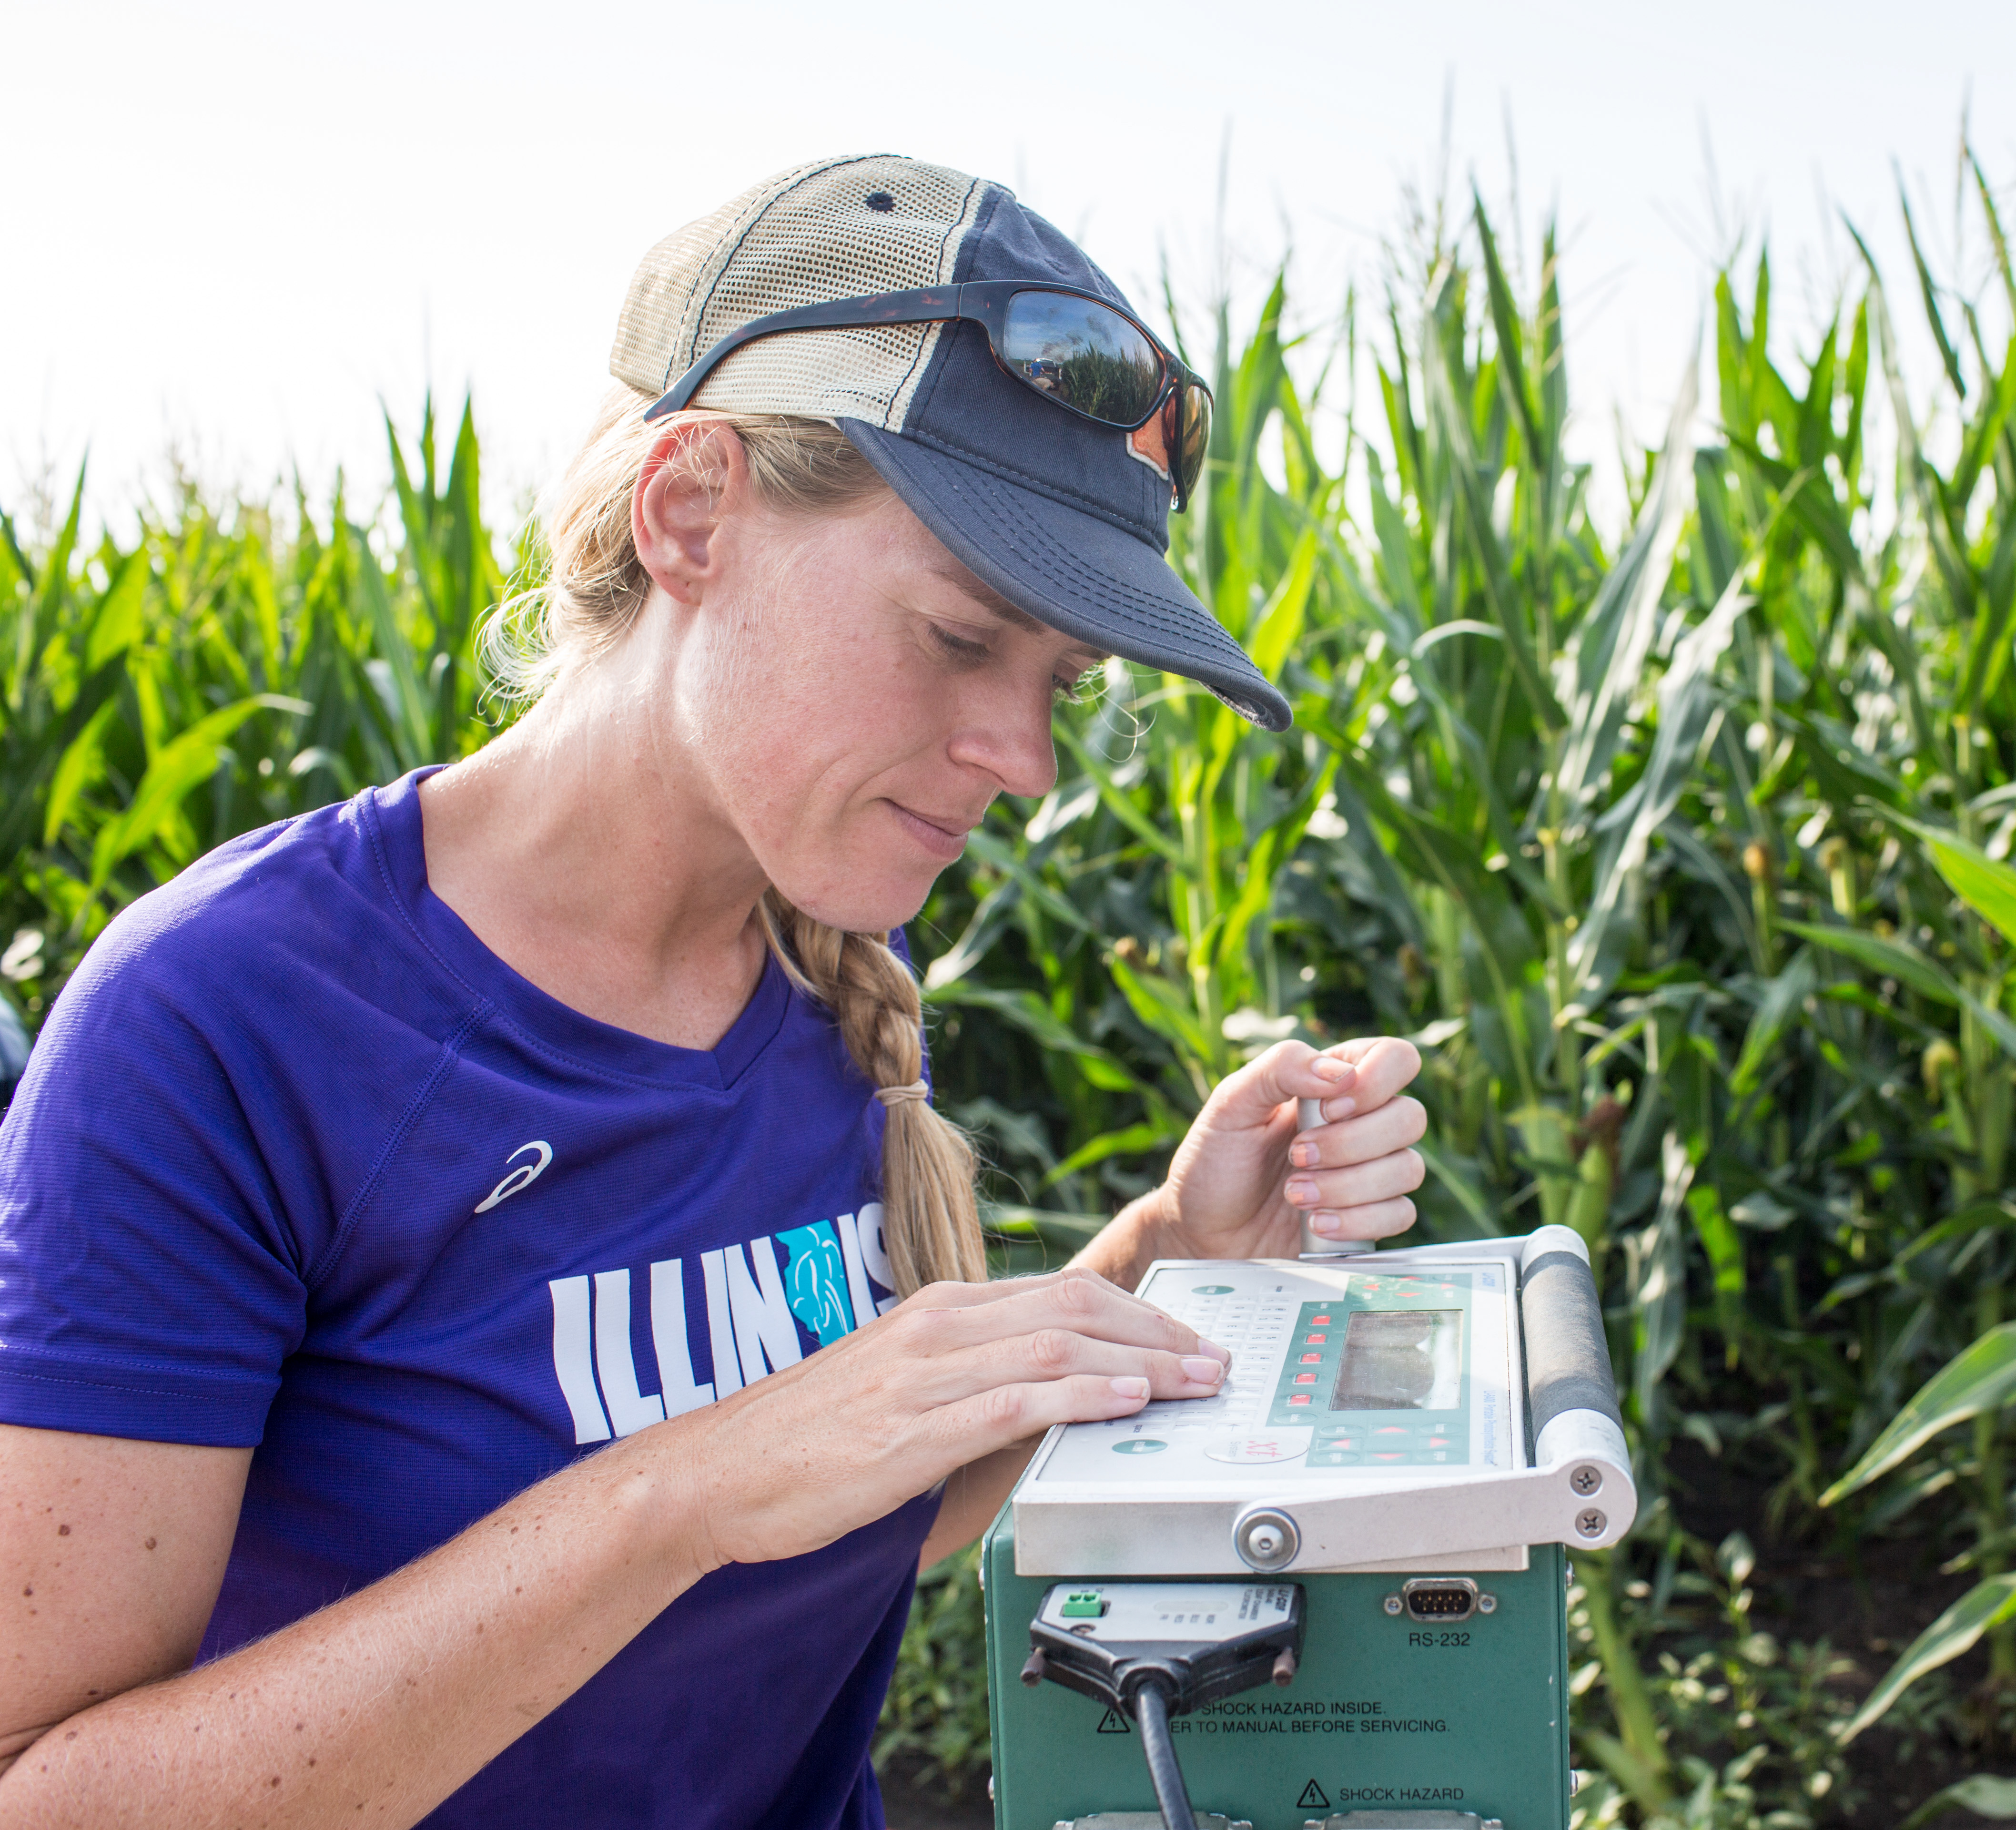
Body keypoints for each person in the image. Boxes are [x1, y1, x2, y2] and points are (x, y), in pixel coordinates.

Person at [0, 154, 1428, 1830]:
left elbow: (866, 1492)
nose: (1025, 759)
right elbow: (54, 1789)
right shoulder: (231, 1022)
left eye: (1065, 682)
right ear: (690, 512)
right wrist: (682, 1491)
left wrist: (1168, 1256)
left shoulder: (827, 967)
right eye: (962, 639)